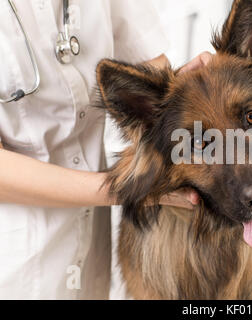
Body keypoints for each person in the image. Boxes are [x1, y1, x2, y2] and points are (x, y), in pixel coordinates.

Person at [0, 0, 211, 299]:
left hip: (92, 242)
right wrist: (131, 189)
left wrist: (190, 95)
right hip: (14, 258)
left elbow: (152, 75)